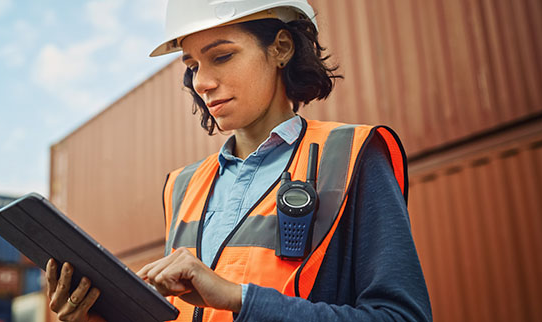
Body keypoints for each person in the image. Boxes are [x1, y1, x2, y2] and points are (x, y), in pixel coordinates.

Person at [46, 0, 433, 321]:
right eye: (193, 66)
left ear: (281, 48)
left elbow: (402, 317)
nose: (201, 82)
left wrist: (239, 298)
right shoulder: (183, 186)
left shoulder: (351, 156)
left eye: (222, 56)